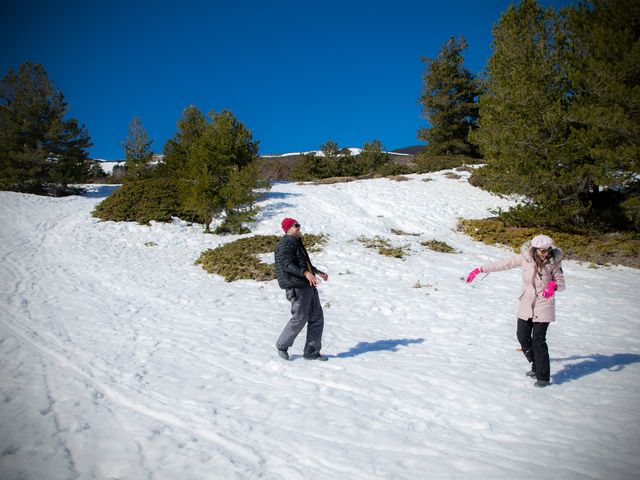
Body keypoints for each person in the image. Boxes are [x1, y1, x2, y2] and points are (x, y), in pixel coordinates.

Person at [465, 234, 566, 387]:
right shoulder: (524, 258)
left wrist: (553, 286)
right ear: (535, 249)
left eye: (548, 250)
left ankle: (543, 377)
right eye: (542, 251)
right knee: (522, 336)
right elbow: (504, 264)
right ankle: (535, 364)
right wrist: (480, 269)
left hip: (544, 305)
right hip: (526, 303)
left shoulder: (554, 263)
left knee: (538, 340)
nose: (546, 253)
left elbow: (561, 283)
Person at [274, 217, 329, 361]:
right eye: (295, 225)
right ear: (288, 229)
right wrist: (306, 273)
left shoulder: (296, 242)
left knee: (316, 317)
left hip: (308, 285)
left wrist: (316, 271)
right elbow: (287, 265)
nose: (299, 227)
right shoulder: (285, 243)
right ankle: (282, 345)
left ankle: (311, 352)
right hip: (296, 286)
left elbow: (303, 263)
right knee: (299, 318)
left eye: (299, 225)